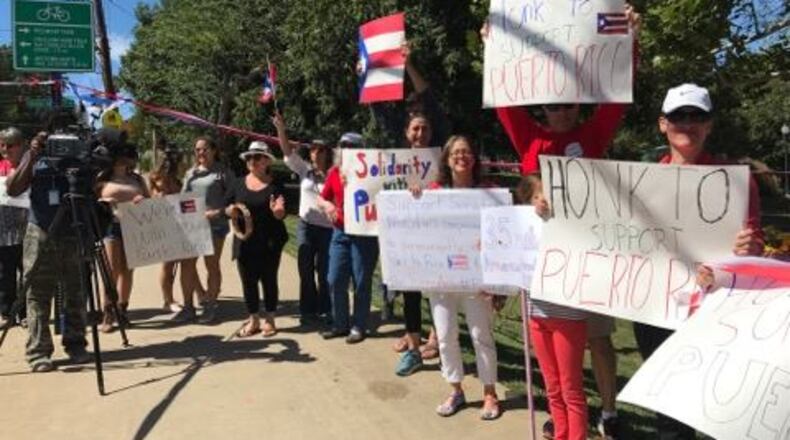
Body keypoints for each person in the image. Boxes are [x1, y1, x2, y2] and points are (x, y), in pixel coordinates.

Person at [486, 7, 641, 437]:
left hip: (588, 257)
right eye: (554, 104)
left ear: (578, 103)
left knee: (600, 338)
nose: (563, 110)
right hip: (544, 267)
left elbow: (617, 99)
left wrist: (629, 42)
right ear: (543, 107)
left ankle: (607, 413)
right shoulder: (529, 137)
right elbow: (504, 103)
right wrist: (493, 51)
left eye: (569, 102)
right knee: (555, 355)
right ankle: (569, 415)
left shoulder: (592, 135)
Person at [633, 83, 764, 440]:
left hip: (713, 312)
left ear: (709, 125)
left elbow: (753, 247)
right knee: (667, 413)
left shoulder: (737, 182)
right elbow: (609, 235)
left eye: (697, 116)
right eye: (678, 116)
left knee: (712, 408)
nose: (687, 124)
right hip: (653, 311)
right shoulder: (637, 183)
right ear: (663, 124)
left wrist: (747, 248)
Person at [411, 135, 501, 420]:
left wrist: (499, 281)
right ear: (447, 160)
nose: (462, 157)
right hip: (441, 277)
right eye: (456, 153)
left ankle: (489, 393)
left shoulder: (490, 192)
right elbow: (416, 224)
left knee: (480, 336)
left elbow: (502, 233)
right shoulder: (434, 191)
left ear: (474, 158)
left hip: (477, 277)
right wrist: (414, 197)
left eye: (467, 152)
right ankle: (456, 389)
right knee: (446, 337)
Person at [6, 131, 89, 372]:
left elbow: (96, 186)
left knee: (76, 291)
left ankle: (76, 344)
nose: (60, 147)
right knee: (37, 294)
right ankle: (39, 352)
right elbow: (13, 188)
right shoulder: (35, 157)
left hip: (73, 230)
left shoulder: (78, 158)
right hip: (40, 232)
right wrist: (32, 155)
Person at [515, 174, 589, 440]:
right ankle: (561, 434)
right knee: (552, 387)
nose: (542, 202)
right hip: (537, 313)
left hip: (567, 315)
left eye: (547, 195)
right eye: (536, 196)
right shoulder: (526, 225)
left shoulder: (572, 223)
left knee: (571, 389)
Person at [317, 133, 379, 344]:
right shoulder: (334, 172)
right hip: (340, 232)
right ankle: (340, 323)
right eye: (342, 145)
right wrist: (328, 205)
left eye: (351, 146)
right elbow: (321, 197)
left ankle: (359, 326)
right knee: (334, 279)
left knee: (361, 281)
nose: (346, 149)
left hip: (365, 233)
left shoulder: (372, 172)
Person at [272, 112, 334, 325]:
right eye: (313, 149)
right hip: (306, 227)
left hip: (328, 229)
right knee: (305, 268)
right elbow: (287, 153)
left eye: (320, 150)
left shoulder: (336, 174)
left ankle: (326, 308)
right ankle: (308, 310)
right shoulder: (305, 170)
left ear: (328, 153)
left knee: (325, 271)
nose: (315, 153)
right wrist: (281, 129)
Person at [225, 141, 288, 338]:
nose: (252, 160)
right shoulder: (237, 183)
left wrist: (277, 212)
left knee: (269, 280)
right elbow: (226, 207)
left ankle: (269, 320)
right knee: (248, 281)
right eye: (250, 157)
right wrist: (231, 210)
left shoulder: (275, 186)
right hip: (244, 242)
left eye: (257, 157)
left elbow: (281, 213)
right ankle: (253, 319)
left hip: (269, 241)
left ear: (267, 161)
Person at [178, 137, 233, 323]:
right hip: (193, 227)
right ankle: (188, 307)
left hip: (215, 227)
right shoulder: (190, 173)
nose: (200, 153)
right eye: (197, 150)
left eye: (204, 149)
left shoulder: (223, 173)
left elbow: (232, 202)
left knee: (212, 265)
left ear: (214, 150)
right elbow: (183, 200)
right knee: (187, 264)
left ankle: (210, 306)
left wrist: (216, 213)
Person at [95, 147, 149, 332]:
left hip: (133, 226)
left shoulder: (137, 179)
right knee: (111, 270)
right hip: (112, 225)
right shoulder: (103, 178)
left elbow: (148, 200)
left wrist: (141, 200)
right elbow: (102, 197)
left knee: (128, 269)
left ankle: (123, 308)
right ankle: (108, 312)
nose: (122, 160)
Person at [0, 128, 28, 328]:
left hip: (27, 230)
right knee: (4, 274)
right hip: (3, 231)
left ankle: (25, 312)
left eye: (10, 145)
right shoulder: (0, 167)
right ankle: (6, 312)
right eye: (2, 145)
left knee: (27, 273)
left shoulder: (29, 166)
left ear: (20, 146)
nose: (5, 149)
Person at [148, 153, 183, 313]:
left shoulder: (176, 179)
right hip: (163, 226)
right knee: (167, 264)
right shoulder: (156, 179)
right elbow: (152, 199)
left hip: (179, 224)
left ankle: (199, 292)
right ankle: (167, 299)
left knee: (182, 262)